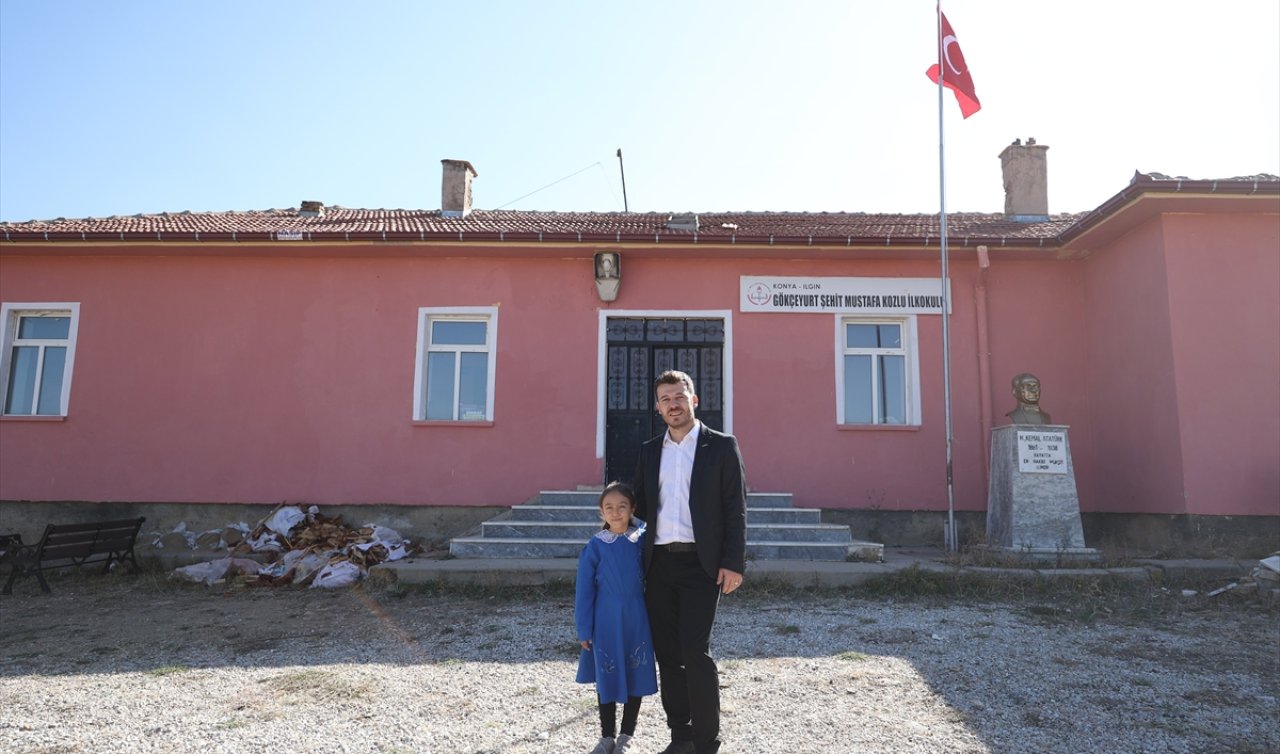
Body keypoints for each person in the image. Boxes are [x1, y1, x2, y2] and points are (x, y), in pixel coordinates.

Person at [632, 370, 747, 754]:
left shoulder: (722, 446)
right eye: (665, 399)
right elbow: (638, 507)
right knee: (667, 654)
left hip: (702, 565)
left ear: (694, 400)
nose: (673, 405)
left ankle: (706, 742)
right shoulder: (650, 450)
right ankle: (680, 737)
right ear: (658, 407)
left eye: (679, 397)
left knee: (694, 651)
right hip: (659, 566)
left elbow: (735, 508)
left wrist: (733, 561)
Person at [575, 482, 658, 754]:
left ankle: (626, 735)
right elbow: (584, 591)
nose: (616, 512)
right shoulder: (596, 546)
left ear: (633, 509)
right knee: (606, 674)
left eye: (622, 506)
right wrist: (584, 628)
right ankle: (606, 736)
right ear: (601, 511)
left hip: (636, 618)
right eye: (608, 507)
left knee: (635, 672)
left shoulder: (642, 540)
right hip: (606, 621)